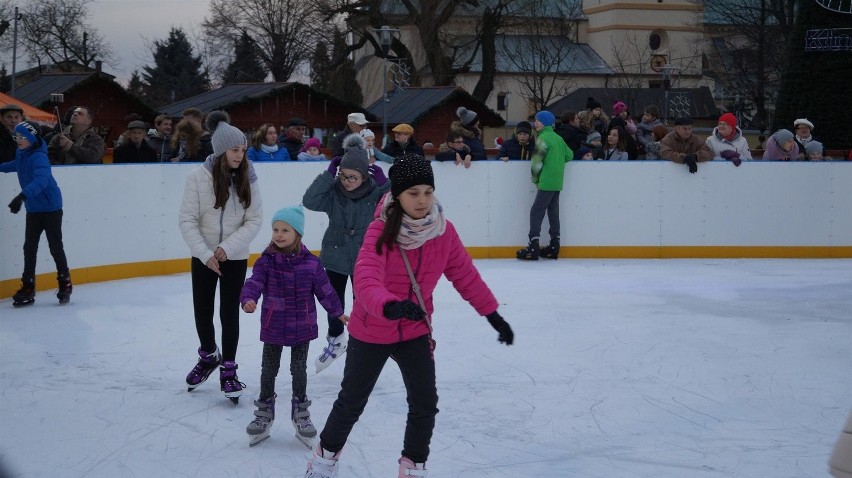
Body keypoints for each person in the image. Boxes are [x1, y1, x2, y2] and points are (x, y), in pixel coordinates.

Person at [304, 153, 514, 478]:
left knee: (425, 402)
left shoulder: (443, 232)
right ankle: (325, 457)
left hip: (414, 330)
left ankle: (413, 465)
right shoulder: (379, 232)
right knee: (351, 401)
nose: (422, 200)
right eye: (413, 193)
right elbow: (366, 277)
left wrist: (493, 315)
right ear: (397, 195)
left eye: (428, 191)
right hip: (372, 329)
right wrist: (390, 305)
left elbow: (465, 275)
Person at [240, 205, 348, 447]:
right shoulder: (266, 261)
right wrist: (248, 298)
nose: (279, 234)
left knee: (298, 371)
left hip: (302, 327)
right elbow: (254, 282)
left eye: (285, 230)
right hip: (273, 327)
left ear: (297, 233)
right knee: (268, 369)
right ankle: (265, 408)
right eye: (275, 229)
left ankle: (300, 410)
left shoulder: (311, 263)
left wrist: (337, 312)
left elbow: (325, 291)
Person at [178, 111, 263, 404]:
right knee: (202, 310)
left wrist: (227, 248)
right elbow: (187, 221)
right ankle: (209, 355)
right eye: (235, 149)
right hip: (203, 256)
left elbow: (254, 220)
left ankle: (229, 368)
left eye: (243, 149)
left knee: (229, 313)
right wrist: (205, 254)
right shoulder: (197, 178)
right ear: (220, 149)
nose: (240, 155)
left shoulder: (249, 179)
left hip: (234, 256)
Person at [302, 133, 391, 374]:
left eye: (353, 177)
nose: (348, 181)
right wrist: (328, 174)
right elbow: (309, 201)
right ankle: (336, 339)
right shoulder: (332, 190)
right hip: (335, 255)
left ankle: (364, 346)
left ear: (364, 176)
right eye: (344, 175)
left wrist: (386, 185)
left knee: (363, 302)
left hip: (366, 256)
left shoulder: (376, 193)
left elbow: (396, 207)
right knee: (333, 301)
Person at [1, 121, 72, 306]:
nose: (18, 140)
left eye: (22, 137)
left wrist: (22, 196)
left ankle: (65, 283)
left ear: (32, 138)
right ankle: (28, 286)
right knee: (29, 247)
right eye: (16, 136)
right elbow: (15, 165)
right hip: (33, 208)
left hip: (51, 208)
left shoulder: (40, 158)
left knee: (55, 246)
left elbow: (41, 180)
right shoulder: (22, 152)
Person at [517, 110, 573, 261]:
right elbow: (569, 155)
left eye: (539, 120)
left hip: (546, 181)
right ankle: (554, 245)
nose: (535, 123)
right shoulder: (558, 138)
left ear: (546, 123)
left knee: (536, 211)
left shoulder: (542, 138)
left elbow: (536, 162)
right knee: (553, 211)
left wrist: (535, 179)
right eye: (535, 120)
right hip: (557, 181)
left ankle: (533, 245)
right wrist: (556, 163)